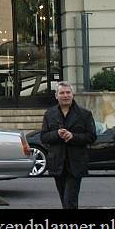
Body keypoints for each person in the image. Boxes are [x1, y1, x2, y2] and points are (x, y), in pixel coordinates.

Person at [40, 81, 97, 209]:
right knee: (64, 200)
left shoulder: (85, 114)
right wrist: (57, 134)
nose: (65, 95)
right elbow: (43, 137)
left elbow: (92, 137)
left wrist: (73, 136)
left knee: (69, 201)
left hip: (76, 163)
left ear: (72, 94)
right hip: (57, 164)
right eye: (62, 93)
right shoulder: (50, 114)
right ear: (56, 96)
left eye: (68, 92)